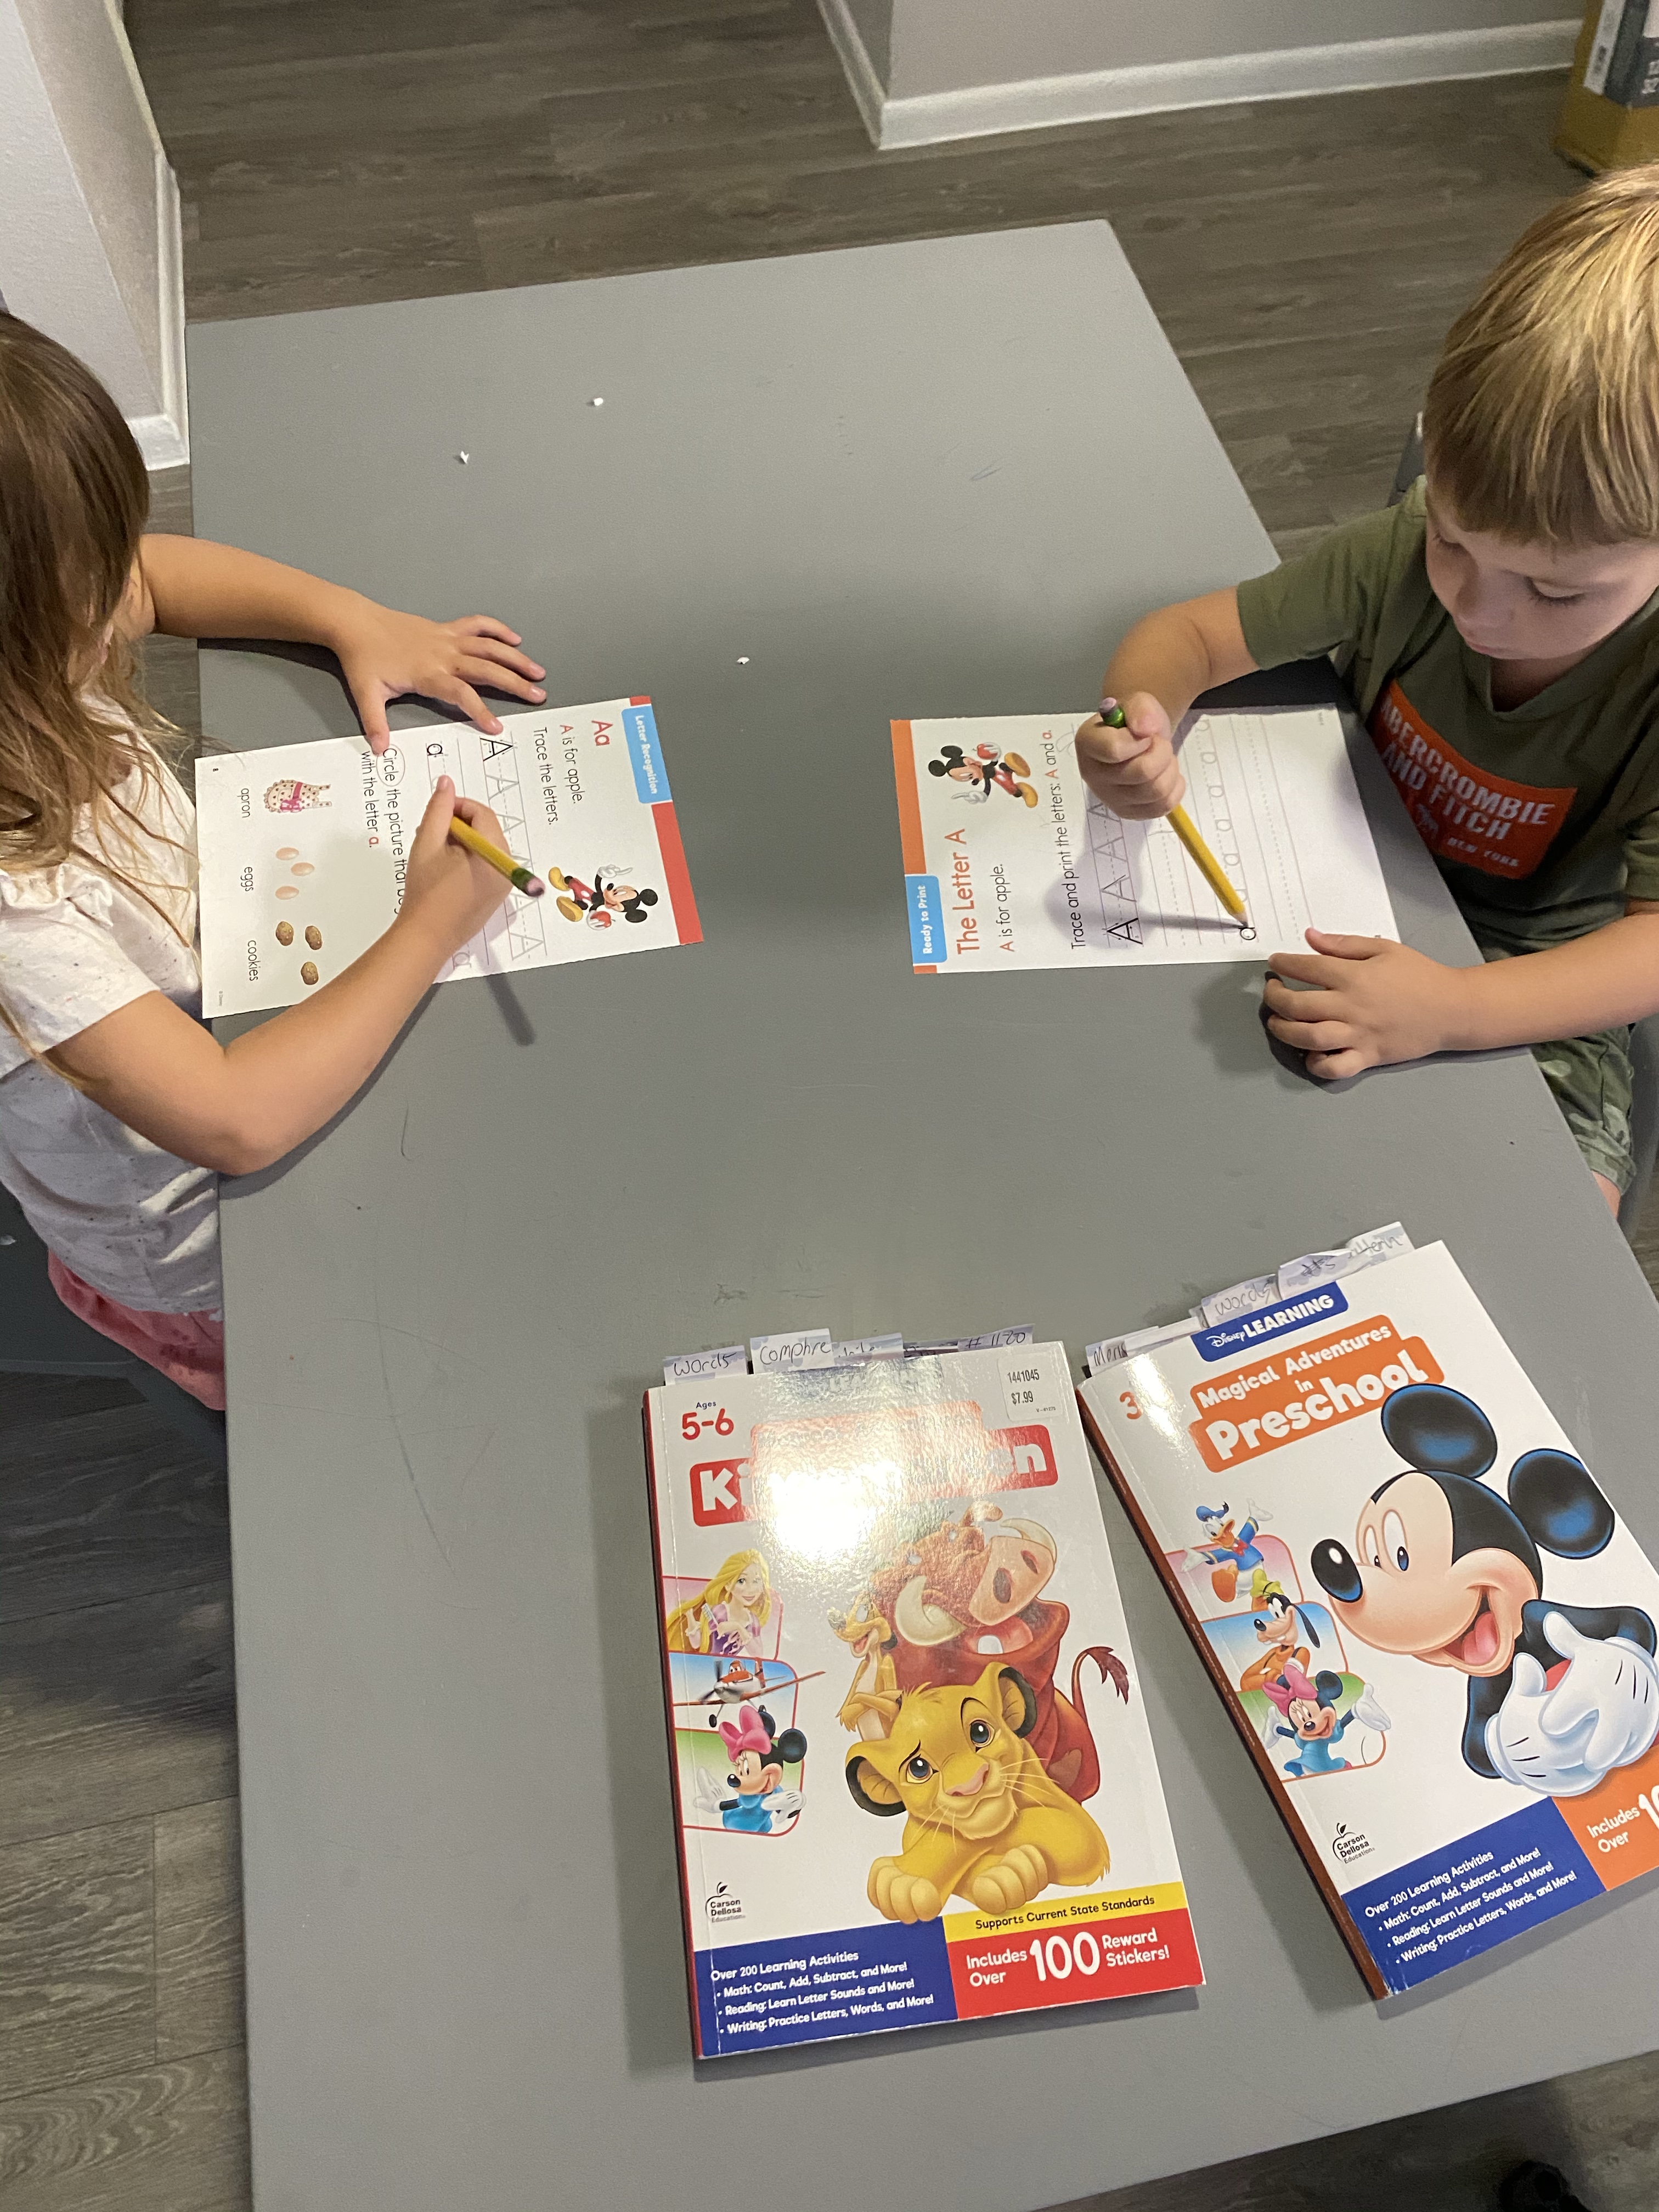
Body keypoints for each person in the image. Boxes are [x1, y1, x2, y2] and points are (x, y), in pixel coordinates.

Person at [1077, 166, 1659, 1220]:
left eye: (1555, 591)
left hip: (1527, 971)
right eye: (1452, 540)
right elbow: (1188, 637)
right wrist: (1139, 725)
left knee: (1548, 1228)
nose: (1477, 607)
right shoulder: (1405, 551)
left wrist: (1456, 1008)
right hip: (1326, 877)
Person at [0, 311, 550, 1409]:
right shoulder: (17, 917)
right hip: (212, 1252)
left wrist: (348, 617)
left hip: (237, 1002)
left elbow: (154, 578)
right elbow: (234, 1122)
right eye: (82, 605)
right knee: (329, 1401)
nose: (121, 612)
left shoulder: (49, 645)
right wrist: (432, 925)